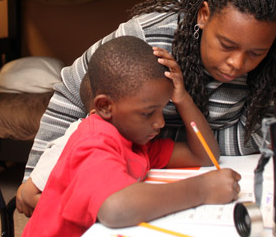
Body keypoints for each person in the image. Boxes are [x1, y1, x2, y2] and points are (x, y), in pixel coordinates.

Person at [18, 0, 276, 214]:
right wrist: (36, 177)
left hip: (172, 158)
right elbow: (73, 90)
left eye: (256, 53)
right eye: (226, 45)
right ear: (204, 15)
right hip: (139, 160)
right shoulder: (150, 36)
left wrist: (153, 139)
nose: (236, 64)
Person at [22, 36, 241, 236]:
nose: (160, 122)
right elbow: (115, 209)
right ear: (105, 106)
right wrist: (202, 189)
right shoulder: (95, 141)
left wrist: (182, 99)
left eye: (162, 110)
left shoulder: (135, 141)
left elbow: (204, 155)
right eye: (148, 113)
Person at [16, 71, 94, 217]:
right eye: (146, 113)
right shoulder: (76, 138)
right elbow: (28, 193)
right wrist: (81, 214)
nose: (152, 123)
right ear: (104, 106)